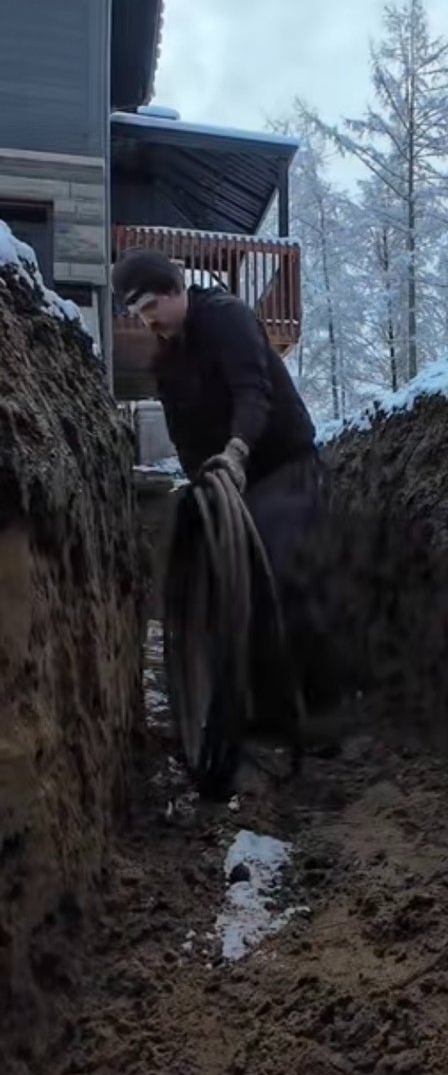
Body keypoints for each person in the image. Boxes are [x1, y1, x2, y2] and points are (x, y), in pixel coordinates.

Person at [111, 248, 326, 723]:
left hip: (279, 463)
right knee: (231, 582)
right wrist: (202, 489)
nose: (147, 322)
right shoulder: (168, 360)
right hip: (229, 481)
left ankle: (312, 705)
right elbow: (184, 436)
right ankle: (253, 705)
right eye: (137, 314)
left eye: (150, 308)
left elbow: (253, 392)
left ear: (174, 290)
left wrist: (236, 452)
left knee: (278, 571)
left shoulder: (226, 318)